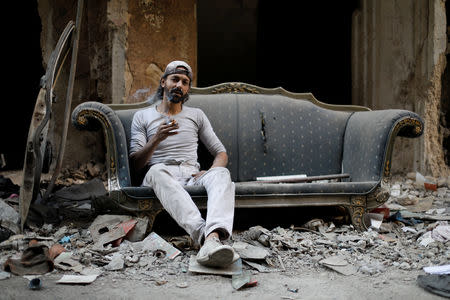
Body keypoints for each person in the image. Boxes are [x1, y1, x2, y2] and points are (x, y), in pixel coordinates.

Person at [129, 60, 238, 268]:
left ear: (188, 89)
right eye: (175, 79)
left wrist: (212, 170)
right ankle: (206, 238)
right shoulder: (142, 116)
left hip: (191, 175)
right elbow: (136, 163)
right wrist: (156, 139)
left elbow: (221, 153)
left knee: (222, 174)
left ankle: (213, 237)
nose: (179, 85)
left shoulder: (197, 115)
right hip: (160, 175)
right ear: (163, 82)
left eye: (185, 82)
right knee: (157, 170)